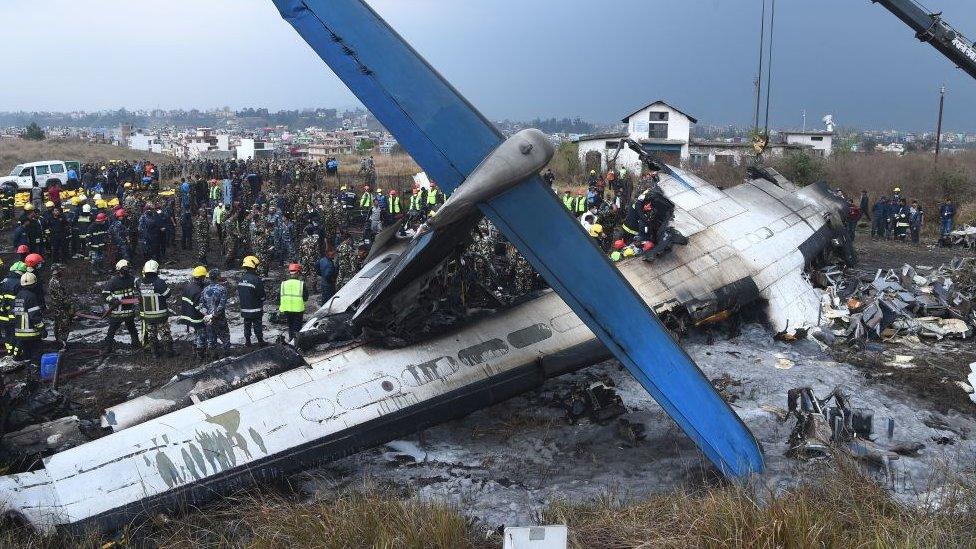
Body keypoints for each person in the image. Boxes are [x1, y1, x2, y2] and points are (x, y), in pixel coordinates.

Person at [137, 260, 174, 358]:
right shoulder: (159, 282)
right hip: (160, 314)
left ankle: (154, 353)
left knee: (151, 334)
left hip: (148, 315)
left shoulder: (139, 282)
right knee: (165, 333)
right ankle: (169, 352)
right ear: (156, 269)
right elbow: (167, 294)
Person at [102, 260, 140, 354]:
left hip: (129, 312)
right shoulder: (113, 281)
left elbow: (139, 289)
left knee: (132, 329)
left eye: (128, 268)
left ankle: (135, 344)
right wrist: (112, 300)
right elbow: (105, 295)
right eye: (125, 268)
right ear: (119, 269)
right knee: (112, 330)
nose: (127, 270)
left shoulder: (132, 279)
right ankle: (108, 347)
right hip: (117, 312)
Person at [12, 272, 44, 366]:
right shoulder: (31, 296)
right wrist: (42, 329)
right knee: (36, 354)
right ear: (33, 284)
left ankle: (28, 372)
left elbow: (15, 313)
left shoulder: (18, 296)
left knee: (27, 354)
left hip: (19, 332)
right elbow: (35, 316)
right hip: (31, 332)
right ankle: (35, 372)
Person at [200, 268, 231, 357]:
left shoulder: (205, 290)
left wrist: (207, 315)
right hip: (219, 318)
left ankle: (213, 355)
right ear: (218, 277)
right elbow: (222, 305)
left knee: (211, 337)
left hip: (208, 319)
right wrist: (214, 315)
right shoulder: (222, 289)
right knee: (225, 336)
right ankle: (226, 355)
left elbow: (201, 305)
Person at [181, 266, 209, 359]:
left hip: (187, 315)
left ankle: (194, 350)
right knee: (201, 335)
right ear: (201, 277)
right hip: (196, 318)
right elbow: (200, 308)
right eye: (204, 277)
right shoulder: (198, 291)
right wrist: (208, 316)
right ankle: (200, 355)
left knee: (195, 335)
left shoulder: (188, 286)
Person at [238, 256, 267, 347]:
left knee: (247, 326)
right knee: (257, 326)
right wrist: (262, 299)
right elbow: (262, 296)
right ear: (254, 266)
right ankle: (260, 341)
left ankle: (247, 342)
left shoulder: (241, 279)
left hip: (245, 309)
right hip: (256, 310)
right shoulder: (256, 280)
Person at [0, 262, 26, 355]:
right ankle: (17, 354)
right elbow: (20, 301)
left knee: (8, 334)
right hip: (14, 314)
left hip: (3, 314)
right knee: (16, 334)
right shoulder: (19, 284)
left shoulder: (4, 281)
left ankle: (9, 352)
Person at [279, 263, 309, 342]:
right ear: (298, 273)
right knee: (297, 328)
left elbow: (279, 297)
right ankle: (297, 343)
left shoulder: (283, 284)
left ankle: (291, 340)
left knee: (290, 326)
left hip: (287, 309)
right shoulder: (301, 284)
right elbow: (306, 298)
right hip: (298, 310)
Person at [48, 264, 73, 350]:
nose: (62, 272)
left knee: (58, 326)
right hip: (61, 309)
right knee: (63, 327)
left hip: (57, 308)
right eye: (61, 270)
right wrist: (70, 307)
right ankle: (62, 345)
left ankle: (60, 343)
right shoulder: (56, 282)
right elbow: (62, 298)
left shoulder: (53, 281)